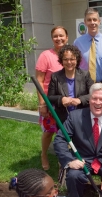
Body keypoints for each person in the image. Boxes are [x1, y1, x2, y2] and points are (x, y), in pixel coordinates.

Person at [36, 26, 68, 170]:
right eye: (55, 36)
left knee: (66, 131)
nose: (59, 38)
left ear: (67, 37)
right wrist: (42, 103)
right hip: (50, 102)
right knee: (48, 132)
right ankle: (44, 154)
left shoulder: (70, 55)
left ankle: (63, 157)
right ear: (52, 38)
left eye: (61, 36)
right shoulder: (46, 55)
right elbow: (39, 80)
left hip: (66, 102)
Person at [47, 44, 94, 124]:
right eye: (65, 59)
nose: (69, 62)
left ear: (77, 60)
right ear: (61, 60)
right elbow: (50, 97)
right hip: (63, 117)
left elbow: (93, 94)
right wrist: (61, 99)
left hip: (82, 116)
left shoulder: (85, 75)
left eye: (72, 59)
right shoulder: (55, 76)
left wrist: (80, 100)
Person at [74, 8, 102, 83]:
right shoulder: (77, 43)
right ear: (85, 22)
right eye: (89, 20)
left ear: (99, 21)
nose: (92, 22)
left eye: (94, 19)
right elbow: (74, 64)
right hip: (83, 84)